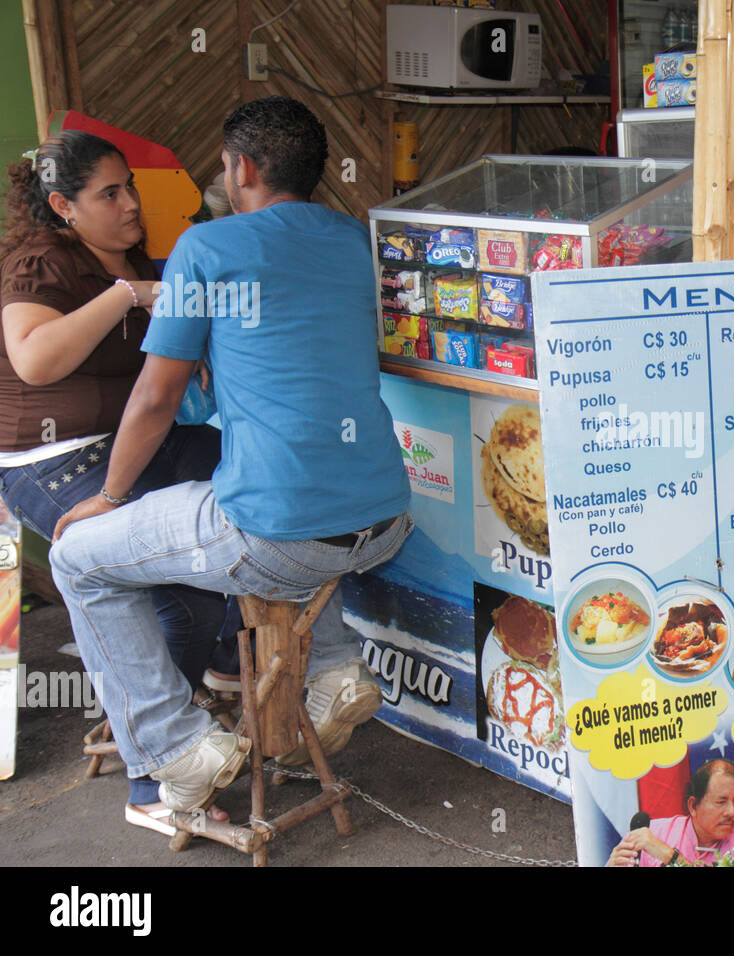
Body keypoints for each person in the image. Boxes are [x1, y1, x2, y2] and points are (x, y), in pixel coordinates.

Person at [49, 96, 413, 814]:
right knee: (288, 498)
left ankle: (176, 745)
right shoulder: (352, 239)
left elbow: (156, 398)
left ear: (241, 168)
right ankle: (337, 668)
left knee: (76, 558)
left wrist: (110, 495)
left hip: (279, 536)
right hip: (386, 520)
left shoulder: (208, 248)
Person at [0, 131, 234, 835]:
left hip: (131, 447)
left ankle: (222, 664)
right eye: (110, 194)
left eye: (129, 186)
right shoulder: (40, 264)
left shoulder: (136, 258)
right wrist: (128, 295)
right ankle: (153, 776)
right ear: (62, 206)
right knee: (180, 594)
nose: (130, 203)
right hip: (49, 461)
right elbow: (36, 361)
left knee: (250, 478)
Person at [607, 759, 734, 866]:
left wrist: (669, 856)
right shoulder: (650, 833)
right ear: (693, 806)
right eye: (721, 802)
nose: (732, 812)